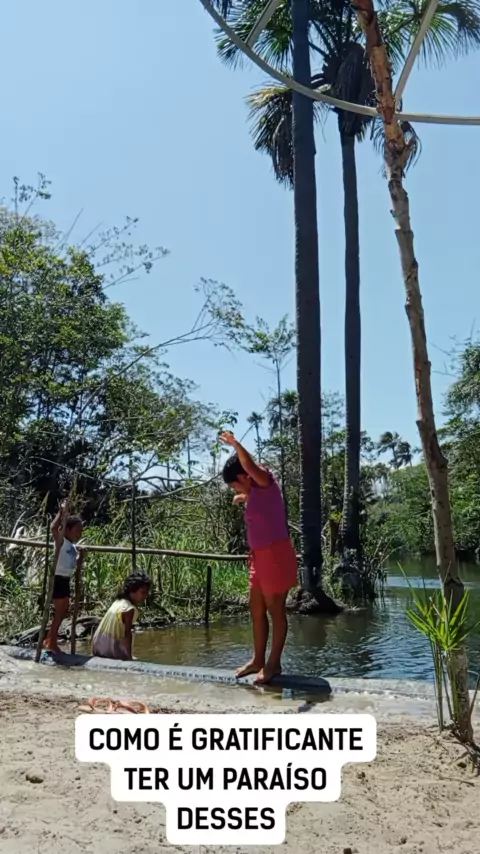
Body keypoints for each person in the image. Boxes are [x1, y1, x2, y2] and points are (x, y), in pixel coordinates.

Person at [220, 431, 298, 684]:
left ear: (244, 475)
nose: (236, 489)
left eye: (235, 485)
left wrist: (236, 445)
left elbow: (249, 465)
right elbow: (262, 508)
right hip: (258, 558)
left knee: (276, 611)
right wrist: (243, 496)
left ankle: (274, 664)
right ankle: (257, 660)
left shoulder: (264, 480)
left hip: (275, 555)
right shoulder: (255, 491)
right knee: (255, 608)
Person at [44, 500, 84, 653]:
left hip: (66, 579)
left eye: (81, 531)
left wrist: (80, 557)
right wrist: (61, 513)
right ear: (67, 529)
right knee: (60, 612)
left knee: (63, 611)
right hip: (58, 579)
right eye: (77, 530)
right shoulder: (61, 541)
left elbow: (74, 563)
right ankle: (50, 641)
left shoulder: (72, 546)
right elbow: (53, 527)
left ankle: (50, 639)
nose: (79, 534)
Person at [92, 572, 152, 661]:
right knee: (136, 660)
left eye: (146, 593)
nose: (145, 596)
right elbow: (127, 634)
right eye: (143, 592)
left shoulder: (119, 602)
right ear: (132, 590)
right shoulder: (128, 609)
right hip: (107, 648)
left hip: (97, 645)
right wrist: (129, 657)